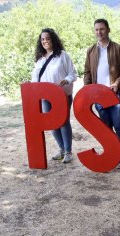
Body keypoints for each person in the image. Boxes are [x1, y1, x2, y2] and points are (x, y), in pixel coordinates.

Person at [84, 19, 120, 169]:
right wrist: (89, 89)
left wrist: (117, 83)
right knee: (106, 127)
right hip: (98, 97)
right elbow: (86, 72)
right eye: (97, 29)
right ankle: (111, 155)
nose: (99, 32)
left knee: (118, 125)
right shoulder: (91, 51)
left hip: (114, 94)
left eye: (102, 29)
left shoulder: (119, 48)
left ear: (108, 30)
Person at [31, 28, 77, 163]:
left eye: (48, 38)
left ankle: (68, 152)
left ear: (53, 39)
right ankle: (62, 149)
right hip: (46, 97)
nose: (45, 41)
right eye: (43, 39)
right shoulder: (39, 59)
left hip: (62, 95)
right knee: (52, 123)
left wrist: (65, 80)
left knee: (63, 122)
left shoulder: (63, 55)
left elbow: (73, 74)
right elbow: (36, 78)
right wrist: (31, 85)